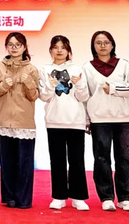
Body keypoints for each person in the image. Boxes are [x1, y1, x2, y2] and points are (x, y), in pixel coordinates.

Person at [82, 30, 129, 212]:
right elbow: (84, 96)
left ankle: (125, 198)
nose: (102, 46)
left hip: (124, 119)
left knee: (124, 159)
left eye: (106, 42)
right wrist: (86, 119)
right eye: (98, 42)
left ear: (112, 45)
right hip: (99, 119)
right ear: (93, 46)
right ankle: (106, 197)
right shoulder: (87, 68)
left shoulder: (124, 65)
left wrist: (114, 88)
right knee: (101, 159)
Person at [39, 35, 89, 211]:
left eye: (63, 47)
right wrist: (50, 86)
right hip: (54, 121)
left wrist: (79, 84)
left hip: (75, 121)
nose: (59, 50)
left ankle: (78, 197)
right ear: (50, 50)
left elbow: (84, 97)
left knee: (77, 160)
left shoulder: (77, 69)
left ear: (68, 50)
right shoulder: (45, 69)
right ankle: (58, 196)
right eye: (56, 47)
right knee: (57, 161)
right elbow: (43, 97)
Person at [0, 32, 39, 209]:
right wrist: (5, 84)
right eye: (11, 45)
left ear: (24, 47)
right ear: (6, 47)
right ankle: (9, 197)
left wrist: (29, 84)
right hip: (4, 120)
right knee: (7, 161)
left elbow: (34, 96)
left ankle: (24, 199)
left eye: (18, 45)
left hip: (24, 121)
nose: (14, 48)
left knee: (25, 163)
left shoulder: (32, 69)